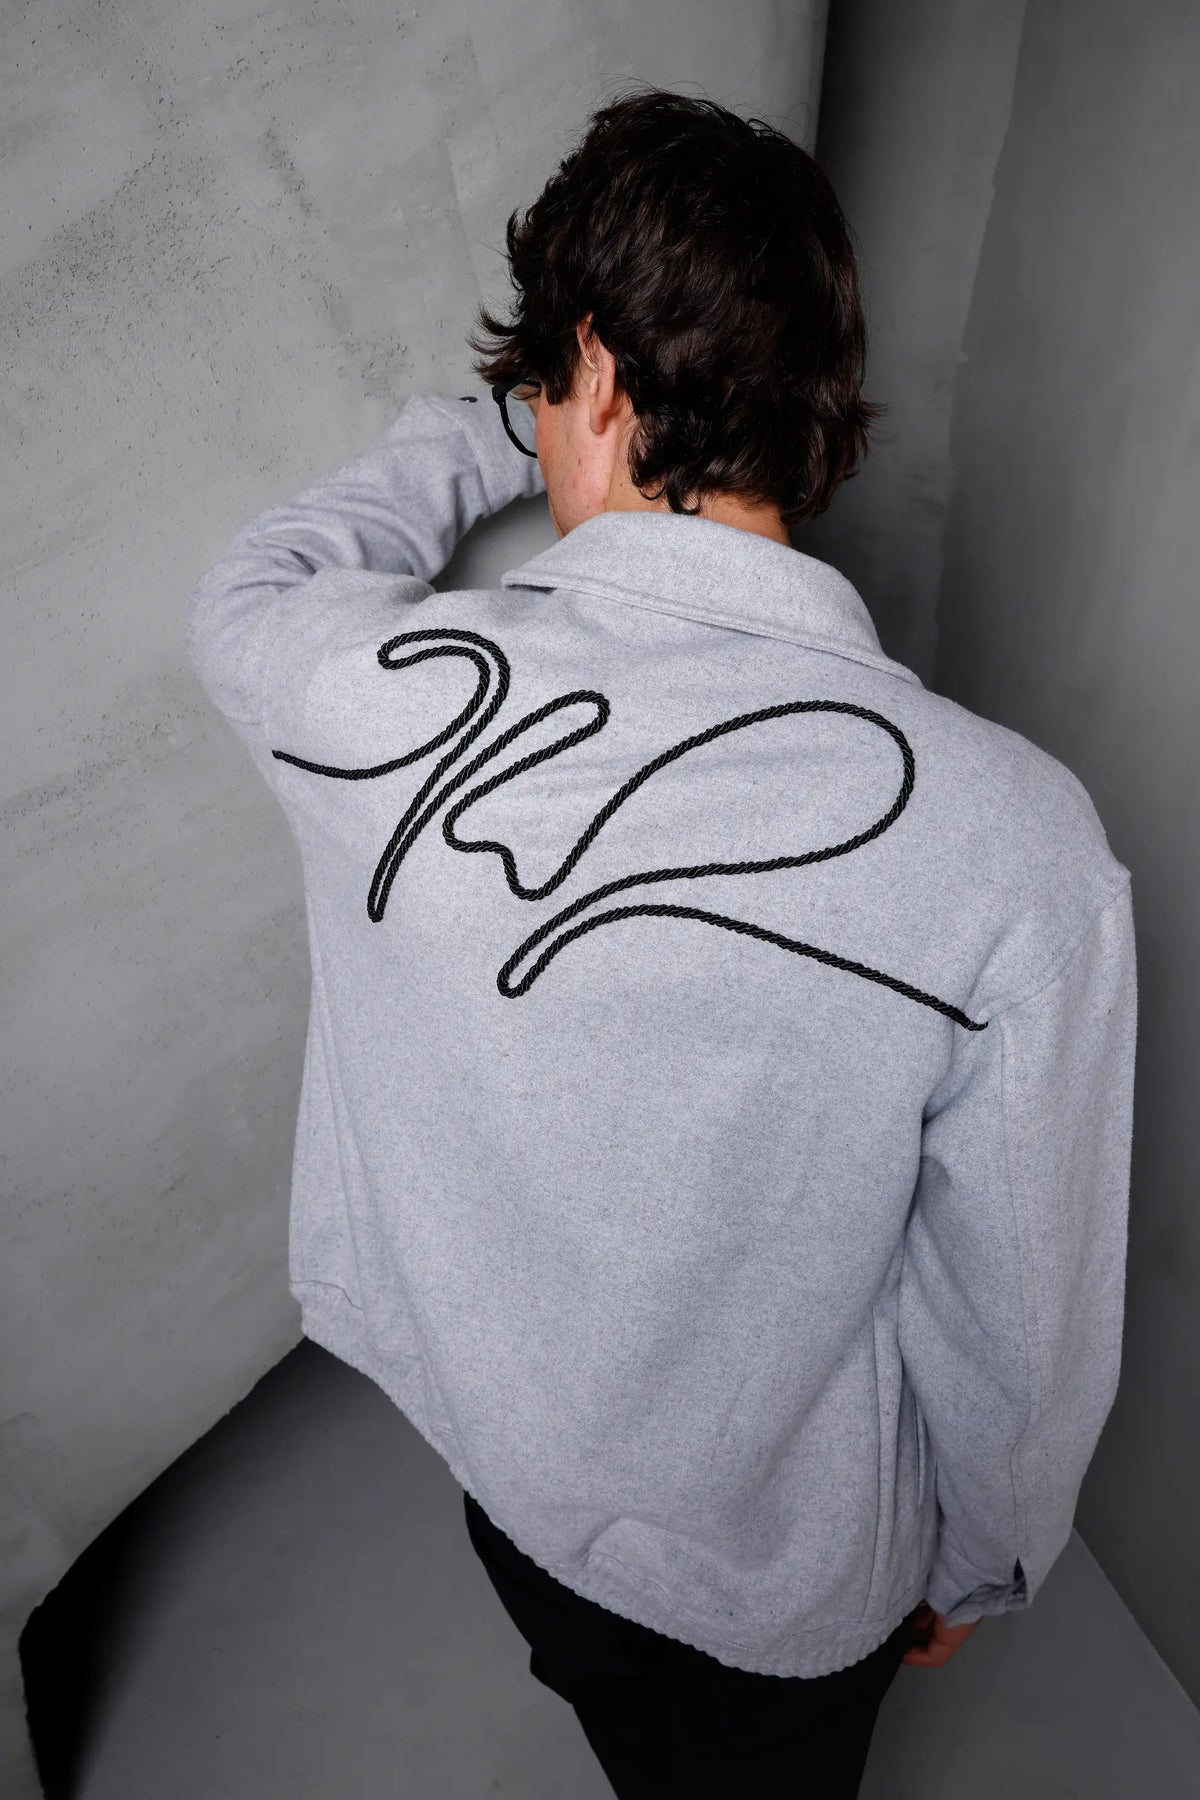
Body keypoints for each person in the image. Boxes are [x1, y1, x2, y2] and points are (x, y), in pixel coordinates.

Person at [185, 83, 1137, 1798]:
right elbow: (1023, 1311)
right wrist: (984, 1556)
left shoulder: (368, 692)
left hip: (503, 1493)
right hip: (787, 1591)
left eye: (548, 384)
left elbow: (252, 589)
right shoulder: (1019, 849)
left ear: (597, 380)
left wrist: (486, 433)